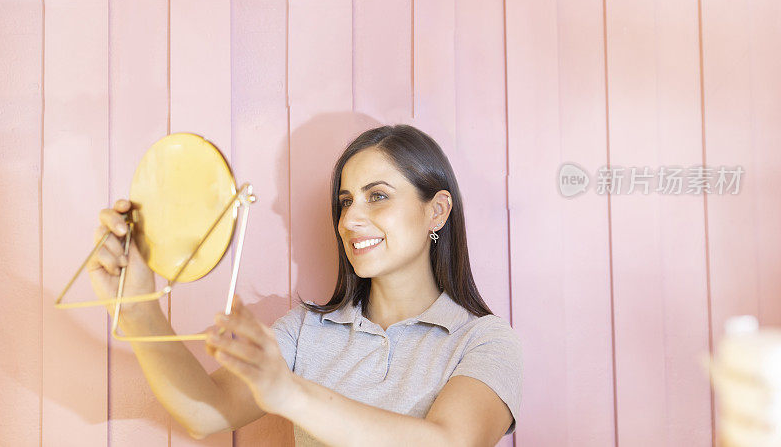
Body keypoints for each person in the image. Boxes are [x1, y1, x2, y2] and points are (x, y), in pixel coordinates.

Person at [87, 124, 523, 446]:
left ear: (437, 211)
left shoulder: (484, 342)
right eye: (345, 201)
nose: (349, 220)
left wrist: (289, 393)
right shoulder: (306, 332)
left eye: (378, 196)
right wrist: (136, 309)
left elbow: (450, 443)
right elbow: (204, 411)